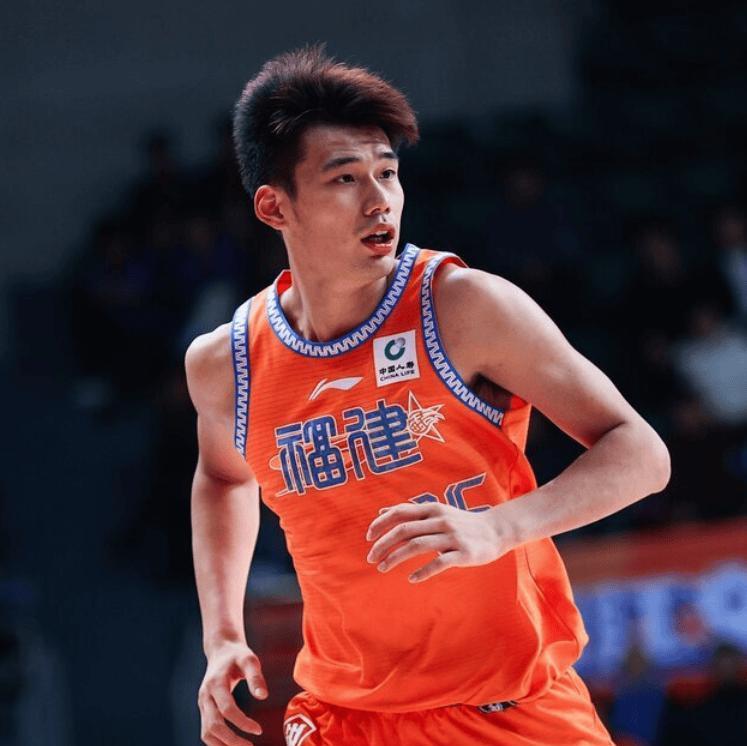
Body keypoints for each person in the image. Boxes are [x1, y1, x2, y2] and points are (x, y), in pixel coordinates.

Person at [184, 45, 670, 746]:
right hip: (346, 719)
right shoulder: (226, 364)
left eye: (387, 172)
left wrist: (498, 527)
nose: (379, 199)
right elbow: (224, 477)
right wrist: (223, 633)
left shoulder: (463, 308)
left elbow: (642, 455)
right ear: (273, 206)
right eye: (344, 178)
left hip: (510, 711)